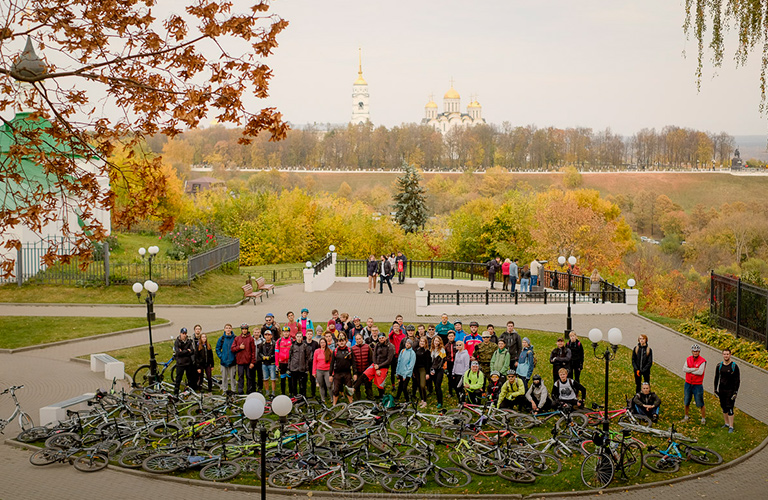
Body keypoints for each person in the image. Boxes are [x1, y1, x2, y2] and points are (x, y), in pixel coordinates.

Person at [353, 330, 395, 398]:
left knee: (379, 384)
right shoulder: (377, 345)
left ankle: (381, 396)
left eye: (382, 338)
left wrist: (378, 366)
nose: (381, 339)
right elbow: (374, 356)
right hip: (375, 365)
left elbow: (389, 360)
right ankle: (353, 388)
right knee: (365, 374)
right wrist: (375, 364)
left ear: (385, 338)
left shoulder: (390, 347)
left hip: (383, 366)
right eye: (380, 338)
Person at [714, 348, 740, 433]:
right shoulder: (719, 366)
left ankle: (731, 426)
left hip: (730, 391)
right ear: (722, 355)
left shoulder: (734, 366)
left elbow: (737, 380)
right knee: (724, 407)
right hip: (722, 390)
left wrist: (735, 392)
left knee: (730, 408)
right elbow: (716, 378)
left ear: (730, 355)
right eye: (724, 354)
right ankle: (726, 423)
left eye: (727, 354)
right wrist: (715, 389)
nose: (726, 356)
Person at [682, 344, 707, 425]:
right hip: (688, 383)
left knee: (700, 402)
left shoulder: (702, 361)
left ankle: (703, 418)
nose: (695, 353)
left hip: (697, 384)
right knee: (686, 400)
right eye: (694, 351)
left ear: (699, 352)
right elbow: (684, 369)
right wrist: (693, 369)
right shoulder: (688, 359)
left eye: (697, 351)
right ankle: (686, 416)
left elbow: (700, 372)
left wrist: (689, 370)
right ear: (692, 352)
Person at [330, 333, 354, 404]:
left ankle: (351, 403)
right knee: (336, 389)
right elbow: (332, 364)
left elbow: (353, 363)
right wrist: (330, 375)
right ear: (337, 342)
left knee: (349, 388)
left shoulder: (349, 350)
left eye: (343, 341)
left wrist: (355, 373)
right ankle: (334, 404)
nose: (341, 342)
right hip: (337, 373)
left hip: (347, 373)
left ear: (345, 341)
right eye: (340, 341)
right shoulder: (335, 351)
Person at [232, 324, 255, 395]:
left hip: (248, 362)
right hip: (240, 362)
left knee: (249, 377)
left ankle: (249, 391)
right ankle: (240, 391)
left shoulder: (251, 339)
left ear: (247, 330)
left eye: (245, 329)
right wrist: (239, 347)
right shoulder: (237, 338)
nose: (244, 330)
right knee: (240, 377)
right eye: (243, 329)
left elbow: (253, 351)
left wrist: (252, 362)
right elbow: (233, 349)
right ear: (241, 330)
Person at [288, 331, 312, 397]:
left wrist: (306, 367)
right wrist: (289, 367)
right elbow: (290, 357)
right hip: (294, 368)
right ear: (295, 337)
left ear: (302, 337)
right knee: (294, 384)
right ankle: (295, 396)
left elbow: (308, 357)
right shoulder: (293, 346)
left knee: (303, 385)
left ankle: (302, 397)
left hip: (302, 368)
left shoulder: (305, 346)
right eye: (297, 336)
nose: (299, 338)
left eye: (300, 336)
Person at [174, 327, 196, 395]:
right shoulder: (177, 341)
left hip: (188, 363)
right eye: (183, 333)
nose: (184, 335)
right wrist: (187, 351)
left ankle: (190, 390)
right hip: (180, 363)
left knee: (190, 377)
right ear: (180, 334)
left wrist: (183, 351)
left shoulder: (189, 341)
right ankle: (176, 392)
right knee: (178, 378)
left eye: (185, 333)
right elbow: (178, 353)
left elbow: (192, 351)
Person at [351, 333, 374, 399]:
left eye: (360, 339)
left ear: (362, 339)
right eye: (357, 339)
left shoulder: (367, 347)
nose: (359, 340)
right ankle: (358, 399)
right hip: (358, 370)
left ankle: (370, 398)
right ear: (355, 340)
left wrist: (370, 370)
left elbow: (371, 359)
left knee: (368, 385)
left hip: (366, 370)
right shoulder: (353, 348)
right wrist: (355, 373)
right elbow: (353, 362)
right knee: (357, 385)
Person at [215, 323, 237, 393]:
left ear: (231, 329)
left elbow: (237, 349)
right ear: (224, 329)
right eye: (226, 328)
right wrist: (221, 356)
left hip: (232, 361)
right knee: (224, 377)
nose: (228, 329)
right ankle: (225, 390)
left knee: (232, 377)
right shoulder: (221, 339)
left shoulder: (235, 338)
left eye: (229, 328)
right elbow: (217, 348)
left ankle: (233, 390)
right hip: (224, 362)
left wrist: (235, 357)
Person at [411, 336, 431, 407]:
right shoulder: (416, 350)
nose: (422, 343)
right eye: (421, 341)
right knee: (419, 384)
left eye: (423, 342)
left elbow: (428, 363)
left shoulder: (427, 352)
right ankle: (422, 399)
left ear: (425, 343)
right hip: (416, 369)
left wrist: (428, 373)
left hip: (423, 369)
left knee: (422, 385)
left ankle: (425, 401)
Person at [428, 336, 447, 409]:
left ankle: (440, 402)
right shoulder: (431, 349)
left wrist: (433, 369)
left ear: (440, 342)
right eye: (435, 341)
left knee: (437, 386)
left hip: (439, 370)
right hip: (432, 370)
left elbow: (440, 361)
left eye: (438, 341)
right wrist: (431, 369)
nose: (436, 342)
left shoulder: (442, 350)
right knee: (431, 383)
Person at [312, 337, 332, 402]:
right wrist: (314, 372)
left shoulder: (329, 351)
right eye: (321, 343)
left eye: (324, 342)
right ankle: (323, 399)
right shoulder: (316, 351)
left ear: (326, 343)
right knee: (321, 385)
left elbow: (332, 363)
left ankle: (332, 398)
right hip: (319, 370)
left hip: (327, 370)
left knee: (329, 385)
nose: (322, 344)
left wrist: (332, 373)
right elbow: (314, 362)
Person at [258, 330, 277, 397]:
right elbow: (259, 353)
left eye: (269, 335)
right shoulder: (262, 344)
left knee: (273, 379)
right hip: (264, 364)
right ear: (264, 336)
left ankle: (273, 392)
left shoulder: (274, 344)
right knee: (265, 379)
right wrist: (263, 357)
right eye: (266, 335)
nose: (267, 336)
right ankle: (267, 391)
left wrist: (270, 357)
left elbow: (276, 353)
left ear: (271, 336)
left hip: (272, 363)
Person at [275, 326, 293, 395]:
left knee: (290, 378)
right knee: (282, 379)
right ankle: (283, 393)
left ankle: (291, 393)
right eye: (284, 332)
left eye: (287, 332)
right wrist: (277, 364)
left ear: (289, 332)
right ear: (282, 332)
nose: (286, 333)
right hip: (282, 363)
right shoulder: (279, 341)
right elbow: (276, 353)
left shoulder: (291, 340)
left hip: (289, 363)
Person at [444, 331, 457, 397]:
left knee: (456, 377)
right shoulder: (446, 346)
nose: (451, 337)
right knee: (450, 377)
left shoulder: (457, 344)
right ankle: (450, 392)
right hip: (449, 363)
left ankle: (457, 389)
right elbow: (444, 355)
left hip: (456, 363)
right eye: (449, 336)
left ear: (454, 337)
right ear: (448, 337)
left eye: (452, 336)